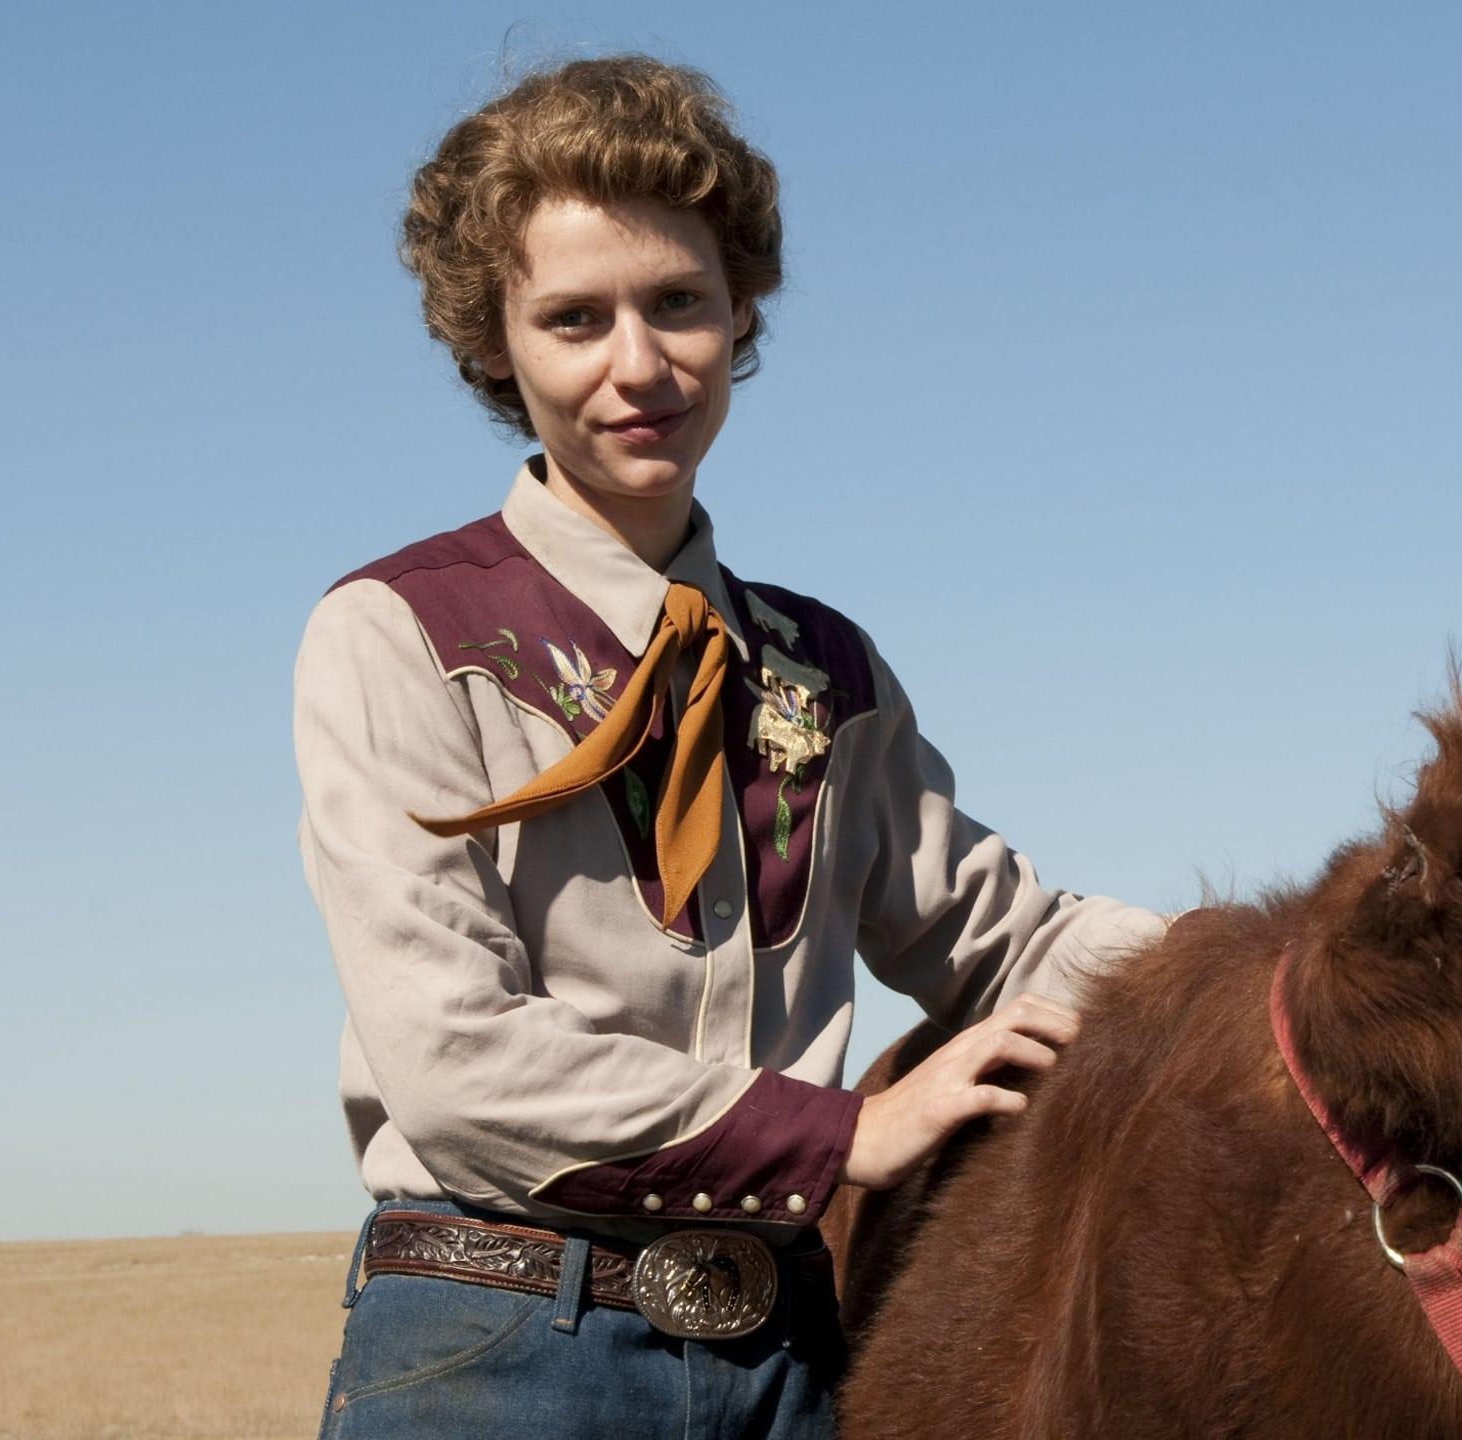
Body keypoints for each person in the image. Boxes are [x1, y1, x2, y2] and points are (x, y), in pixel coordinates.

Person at [292, 54, 1167, 1439]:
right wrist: (843, 1137)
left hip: (791, 1367)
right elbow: (457, 1068)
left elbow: (1000, 934)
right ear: (495, 343)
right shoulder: (401, 632)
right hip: (496, 1342)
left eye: (679, 304)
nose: (639, 364)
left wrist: (1285, 976)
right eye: (575, 318)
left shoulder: (822, 671)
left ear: (740, 311)